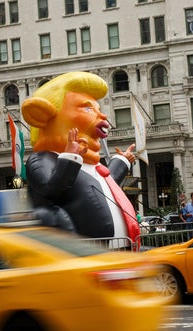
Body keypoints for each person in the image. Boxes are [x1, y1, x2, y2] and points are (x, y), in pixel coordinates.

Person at [22, 72, 140, 244]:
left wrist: (121, 162)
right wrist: (69, 156)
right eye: (87, 108)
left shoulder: (87, 166)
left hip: (117, 252)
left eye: (98, 109)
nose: (103, 116)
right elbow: (52, 189)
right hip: (83, 256)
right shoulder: (44, 160)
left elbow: (103, 186)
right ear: (41, 114)